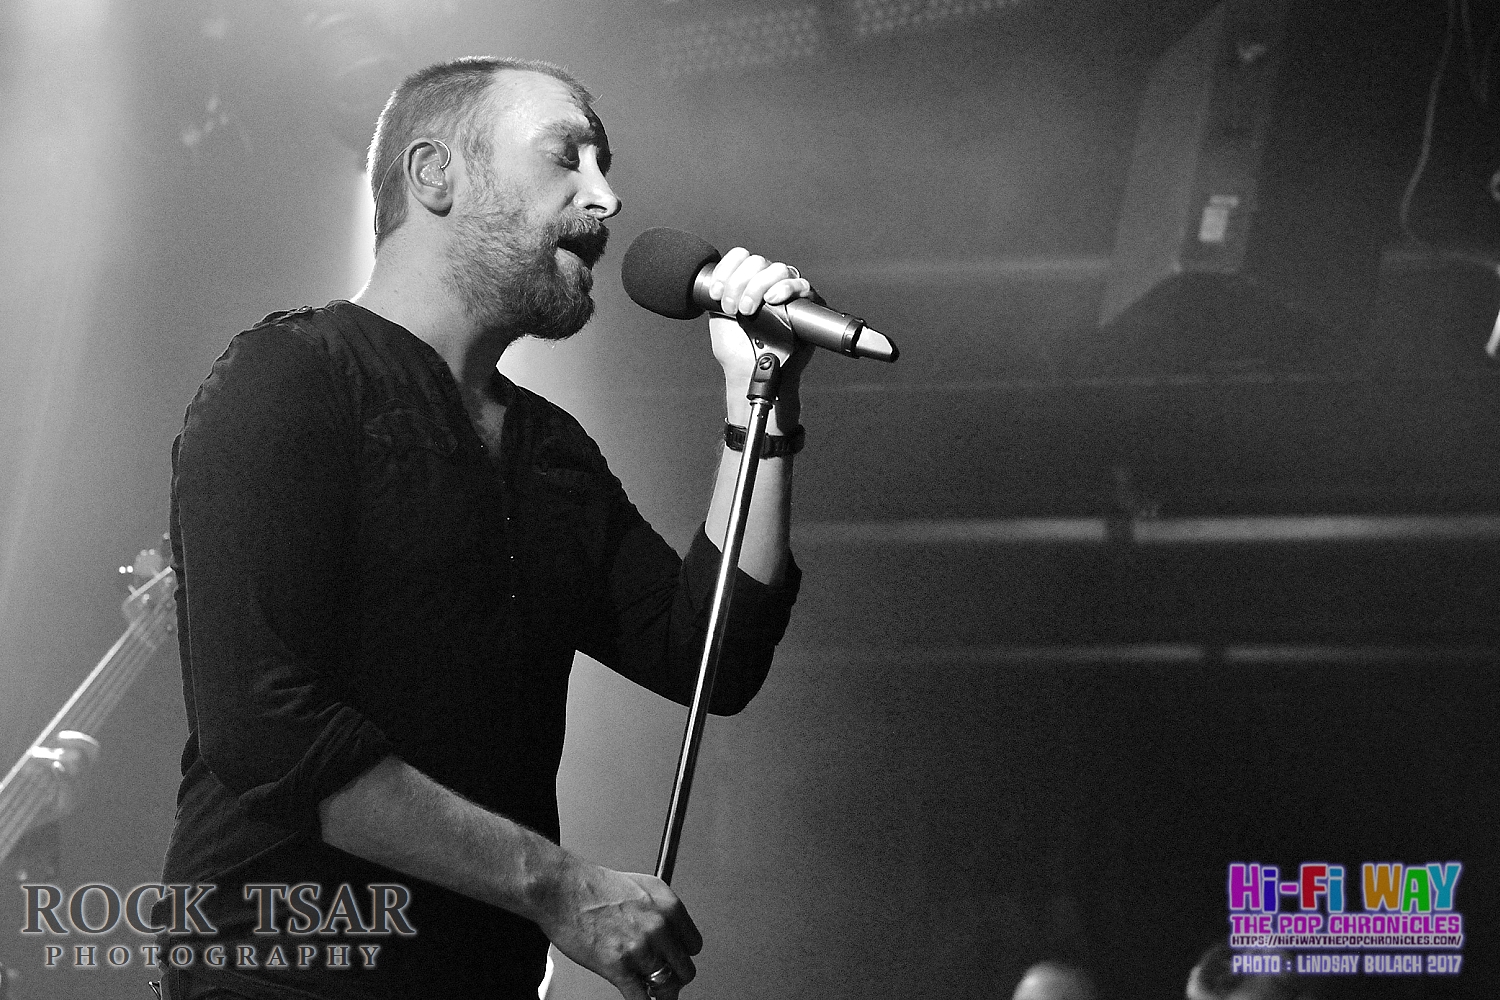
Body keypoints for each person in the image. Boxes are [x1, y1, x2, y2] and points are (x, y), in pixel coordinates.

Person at [155, 55, 814, 1000]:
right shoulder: (290, 378)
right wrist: (560, 887)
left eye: (604, 164)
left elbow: (710, 653)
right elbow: (264, 726)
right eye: (567, 157)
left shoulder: (550, 449)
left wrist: (762, 402)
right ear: (436, 174)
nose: (607, 197)